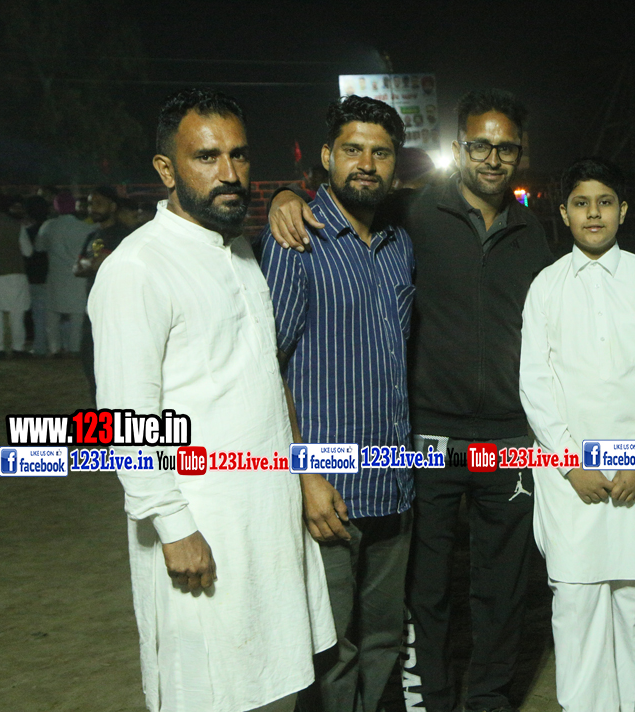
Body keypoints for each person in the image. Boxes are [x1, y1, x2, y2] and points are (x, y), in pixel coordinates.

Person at [269, 89, 554, 712]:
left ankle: (489, 700)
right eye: (480, 145)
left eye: (506, 148)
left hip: (508, 438)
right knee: (424, 590)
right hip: (426, 441)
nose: (493, 158)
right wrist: (285, 196)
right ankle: (431, 701)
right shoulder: (412, 213)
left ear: (520, 153)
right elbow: (344, 194)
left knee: (503, 586)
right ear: (458, 148)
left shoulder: (536, 230)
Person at [88, 88, 335, 712]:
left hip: (268, 523)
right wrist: (174, 528)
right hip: (202, 528)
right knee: (207, 691)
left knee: (276, 684)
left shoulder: (239, 249)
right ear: (166, 169)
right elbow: (122, 419)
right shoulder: (138, 268)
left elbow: (264, 376)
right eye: (206, 157)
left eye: (239, 155)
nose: (229, 173)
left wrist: (303, 472)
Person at [260, 95, 416, 712]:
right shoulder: (295, 239)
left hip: (393, 483)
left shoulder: (399, 243)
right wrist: (303, 475)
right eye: (353, 149)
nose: (367, 164)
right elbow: (266, 368)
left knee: (382, 642)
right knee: (330, 652)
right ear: (327, 156)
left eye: (381, 152)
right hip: (329, 494)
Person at [519, 158, 635, 712]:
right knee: (575, 606)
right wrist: (572, 464)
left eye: (605, 202)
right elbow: (535, 384)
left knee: (629, 608)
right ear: (564, 213)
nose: (594, 213)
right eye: (582, 203)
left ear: (623, 210)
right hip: (569, 477)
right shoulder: (546, 285)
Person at [76, 186, 132, 400]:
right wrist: (91, 264)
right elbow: (77, 268)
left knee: (116, 368)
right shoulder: (92, 235)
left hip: (117, 311)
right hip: (92, 310)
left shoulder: (122, 235)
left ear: (113, 206)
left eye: (99, 203)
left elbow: (96, 264)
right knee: (91, 365)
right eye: (91, 203)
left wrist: (90, 264)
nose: (93, 208)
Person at [34, 192, 91, 356]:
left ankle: (55, 348)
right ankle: (74, 348)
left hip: (55, 276)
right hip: (77, 276)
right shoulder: (84, 228)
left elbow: (39, 247)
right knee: (77, 315)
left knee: (52, 314)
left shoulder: (48, 226)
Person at [0, 196, 31, 360]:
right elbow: (28, 251)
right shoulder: (16, 225)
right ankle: (18, 347)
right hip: (15, 273)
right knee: (16, 313)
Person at [21, 195, 51, 356]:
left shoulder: (28, 231)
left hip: (33, 277)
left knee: (38, 315)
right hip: (51, 275)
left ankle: (39, 346)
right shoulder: (50, 227)